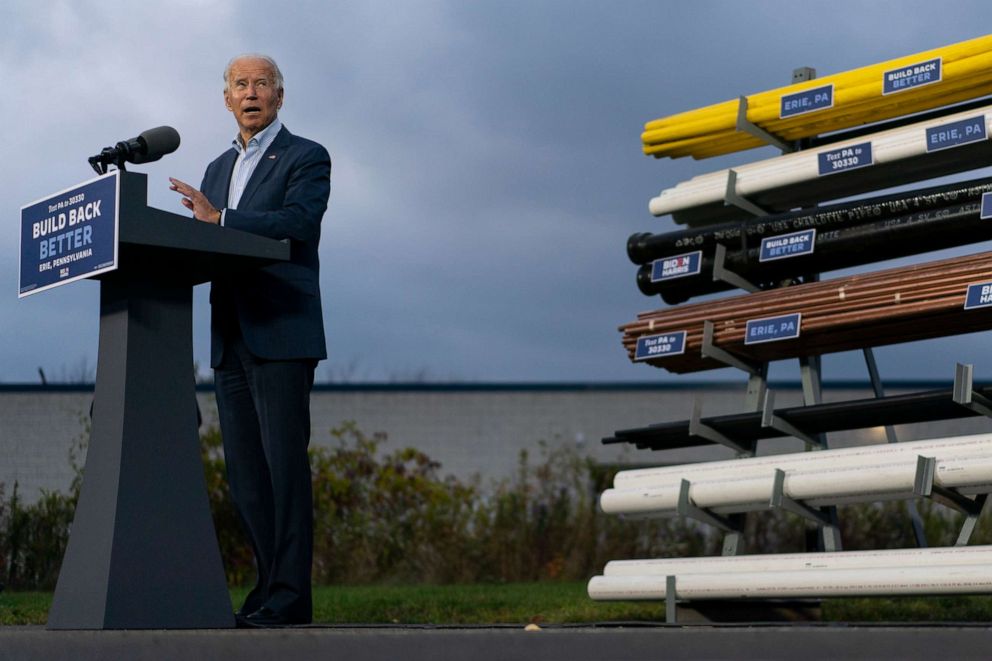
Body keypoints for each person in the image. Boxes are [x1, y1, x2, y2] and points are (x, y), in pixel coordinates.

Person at [169, 53, 331, 627]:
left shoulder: (306, 156)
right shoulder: (215, 168)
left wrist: (222, 222)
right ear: (227, 99)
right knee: (245, 478)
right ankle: (268, 593)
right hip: (229, 337)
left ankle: (291, 598)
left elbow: (298, 223)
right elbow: (209, 235)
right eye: (241, 84)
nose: (252, 91)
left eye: (263, 83)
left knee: (283, 470)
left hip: (281, 331)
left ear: (280, 97)